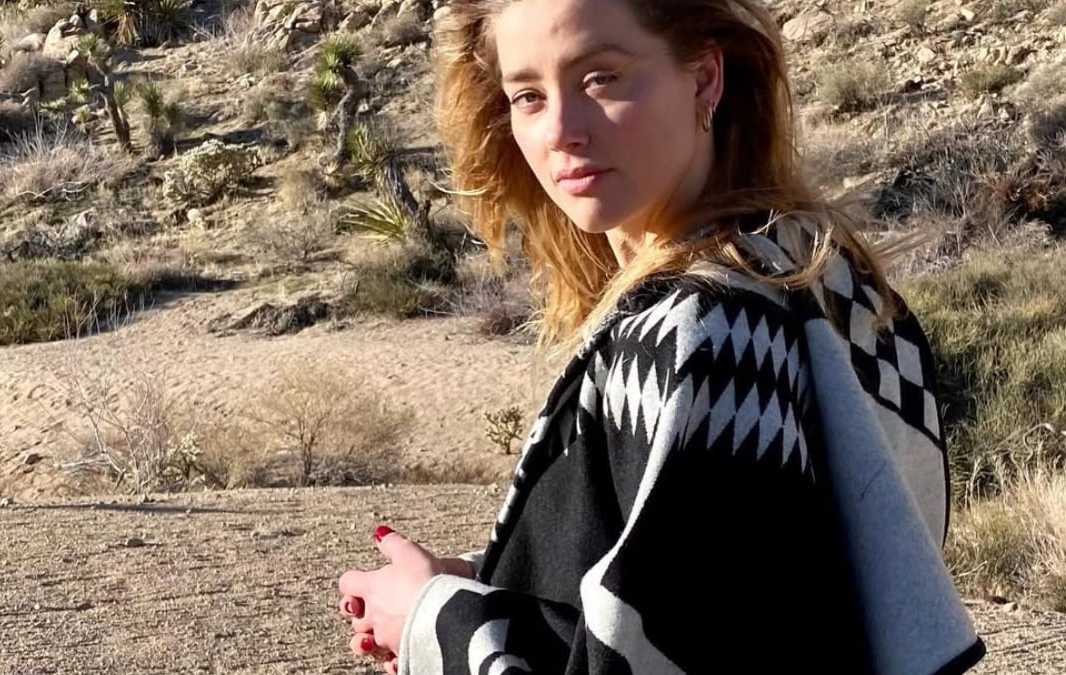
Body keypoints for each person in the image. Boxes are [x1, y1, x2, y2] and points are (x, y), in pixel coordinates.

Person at [337, 0, 987, 673]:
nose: (561, 130)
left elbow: (656, 652)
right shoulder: (819, 277)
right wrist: (500, 572)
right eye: (527, 96)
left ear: (705, 78)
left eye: (602, 79)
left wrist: (431, 618)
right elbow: (752, 586)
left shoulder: (705, 331)